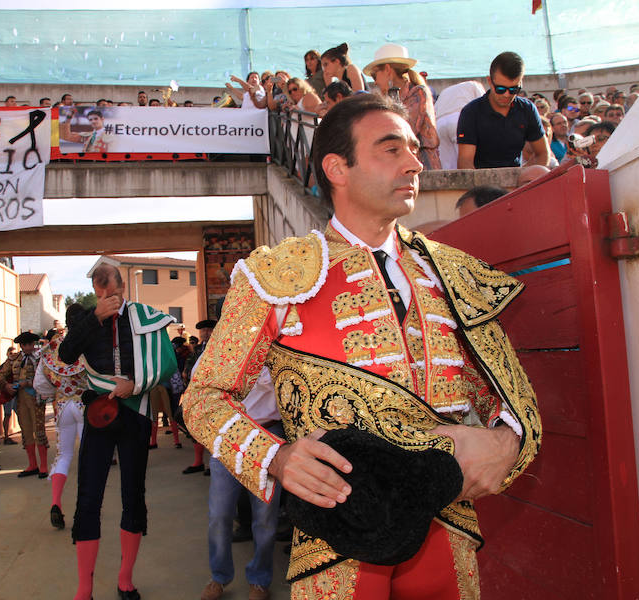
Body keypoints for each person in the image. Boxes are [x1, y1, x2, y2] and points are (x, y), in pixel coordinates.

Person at [182, 93, 541, 599]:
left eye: (415, 149)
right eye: (391, 149)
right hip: (337, 538)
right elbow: (203, 397)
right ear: (337, 167)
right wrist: (276, 458)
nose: (414, 163)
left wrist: (506, 442)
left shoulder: (450, 271)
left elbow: (514, 406)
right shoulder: (277, 275)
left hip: (450, 525)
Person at [58, 263, 177, 600]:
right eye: (99, 293)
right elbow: (66, 355)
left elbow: (166, 363)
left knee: (133, 495)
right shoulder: (88, 319)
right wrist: (93, 316)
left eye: (108, 291)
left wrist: (135, 385)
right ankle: (84, 589)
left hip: (135, 412)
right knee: (88, 498)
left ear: (121, 287)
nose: (105, 297)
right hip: (98, 413)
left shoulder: (144, 315)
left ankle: (126, 580)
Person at [200, 367, 283, 600]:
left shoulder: (276, 344)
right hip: (227, 435)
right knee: (219, 513)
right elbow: (201, 386)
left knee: (265, 517)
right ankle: (218, 576)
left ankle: (259, 579)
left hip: (267, 434)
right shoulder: (223, 344)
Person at [32, 304, 87, 530]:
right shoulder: (89, 342)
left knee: (63, 456)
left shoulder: (51, 347)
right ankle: (85, 509)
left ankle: (56, 502)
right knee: (88, 456)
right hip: (85, 404)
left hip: (63, 405)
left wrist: (56, 392)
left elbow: (40, 385)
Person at [456, 51, 550, 168]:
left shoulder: (527, 109)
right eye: (500, 89)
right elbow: (465, 161)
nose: (506, 95)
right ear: (490, 81)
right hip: (481, 181)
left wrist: (526, 177)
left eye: (513, 90)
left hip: (517, 180)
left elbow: (542, 153)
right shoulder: (471, 112)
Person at [364, 43, 442, 170]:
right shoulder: (393, 98)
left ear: (388, 70)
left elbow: (404, 129)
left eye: (375, 75)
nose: (375, 81)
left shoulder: (418, 92)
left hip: (423, 166)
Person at [0, 332, 47, 477]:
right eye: (26, 345)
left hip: (36, 398)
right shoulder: (14, 359)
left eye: (31, 344)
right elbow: (0, 376)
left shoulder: (40, 358)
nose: (29, 347)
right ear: (22, 346)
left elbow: (47, 377)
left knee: (39, 430)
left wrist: (28, 383)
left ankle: (43, 466)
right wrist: (6, 386)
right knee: (26, 430)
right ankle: (33, 465)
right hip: (21, 398)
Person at [182, 319, 216, 476]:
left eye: (208, 330)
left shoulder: (218, 346)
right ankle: (198, 461)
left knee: (212, 429)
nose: (205, 333)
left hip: (212, 394)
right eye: (203, 331)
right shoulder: (197, 349)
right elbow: (188, 367)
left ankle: (212, 463)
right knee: (194, 427)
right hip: (195, 394)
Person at [433, 81, 485, 170]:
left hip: (439, 122)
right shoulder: (475, 85)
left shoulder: (445, 91)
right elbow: (483, 106)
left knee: (447, 165)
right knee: (465, 160)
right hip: (459, 117)